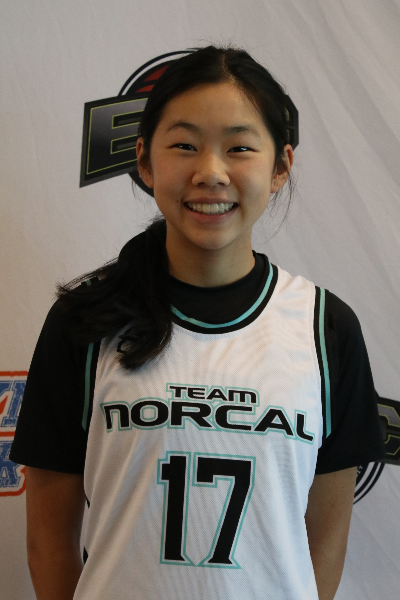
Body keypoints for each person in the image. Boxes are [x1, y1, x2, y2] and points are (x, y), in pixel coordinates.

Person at [10, 46, 385, 600]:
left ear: (280, 166)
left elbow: (324, 545)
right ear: (144, 161)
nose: (210, 172)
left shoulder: (325, 328)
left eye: (239, 148)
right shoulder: (85, 322)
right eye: (184, 145)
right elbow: (49, 543)